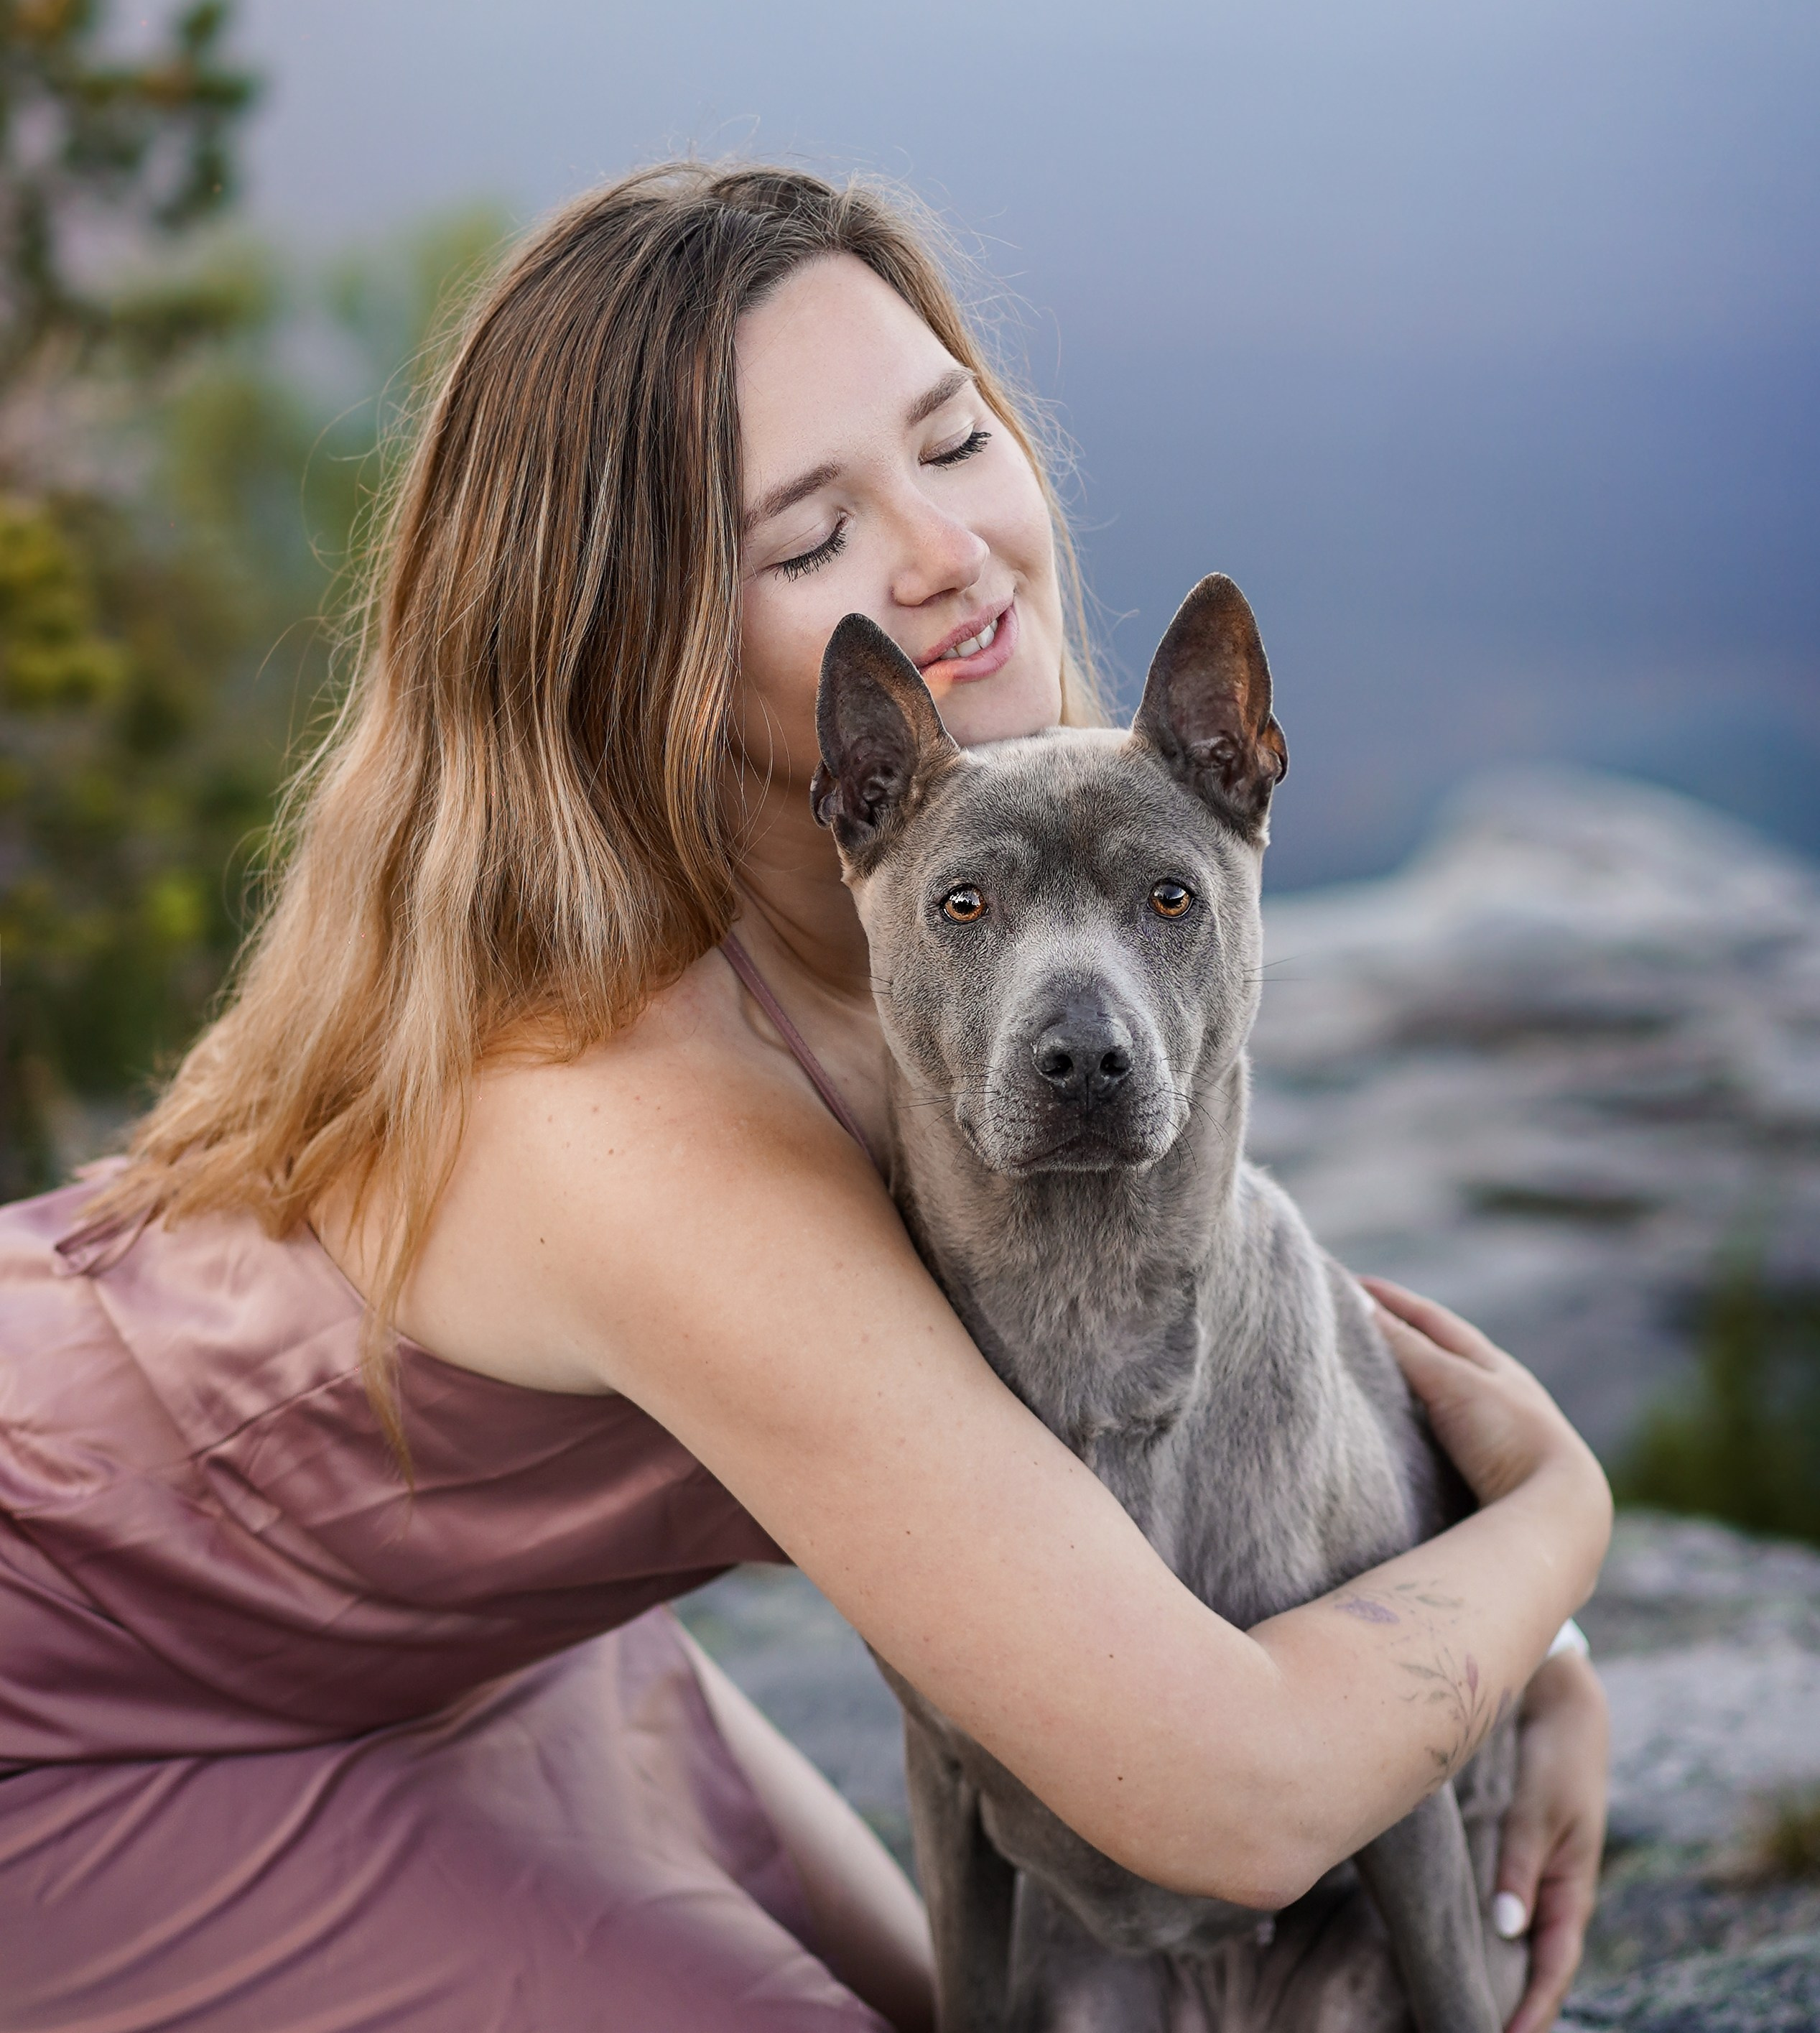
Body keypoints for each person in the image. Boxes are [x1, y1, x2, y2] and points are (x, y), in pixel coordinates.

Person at [0, 162, 1611, 2033]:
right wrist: (1552, 1527)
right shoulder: (638, 1127)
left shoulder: (957, 880)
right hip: (65, 1707)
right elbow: (1235, 1799)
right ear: (638, 650)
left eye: (951, 439)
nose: (942, 553)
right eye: (806, 542)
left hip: (475, 1661)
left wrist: (1520, 1659)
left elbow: (1205, 1358)